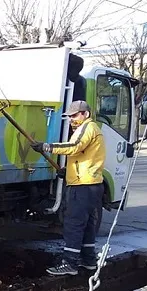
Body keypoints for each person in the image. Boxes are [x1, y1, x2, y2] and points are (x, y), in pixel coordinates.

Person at [31, 100, 105, 276]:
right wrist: (68, 171)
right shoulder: (89, 129)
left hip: (83, 185)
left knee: (73, 224)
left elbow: (74, 147)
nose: (72, 119)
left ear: (85, 114)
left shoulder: (88, 128)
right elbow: (84, 156)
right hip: (89, 184)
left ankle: (70, 263)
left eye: (75, 115)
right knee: (86, 225)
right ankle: (88, 261)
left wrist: (46, 147)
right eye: (70, 116)